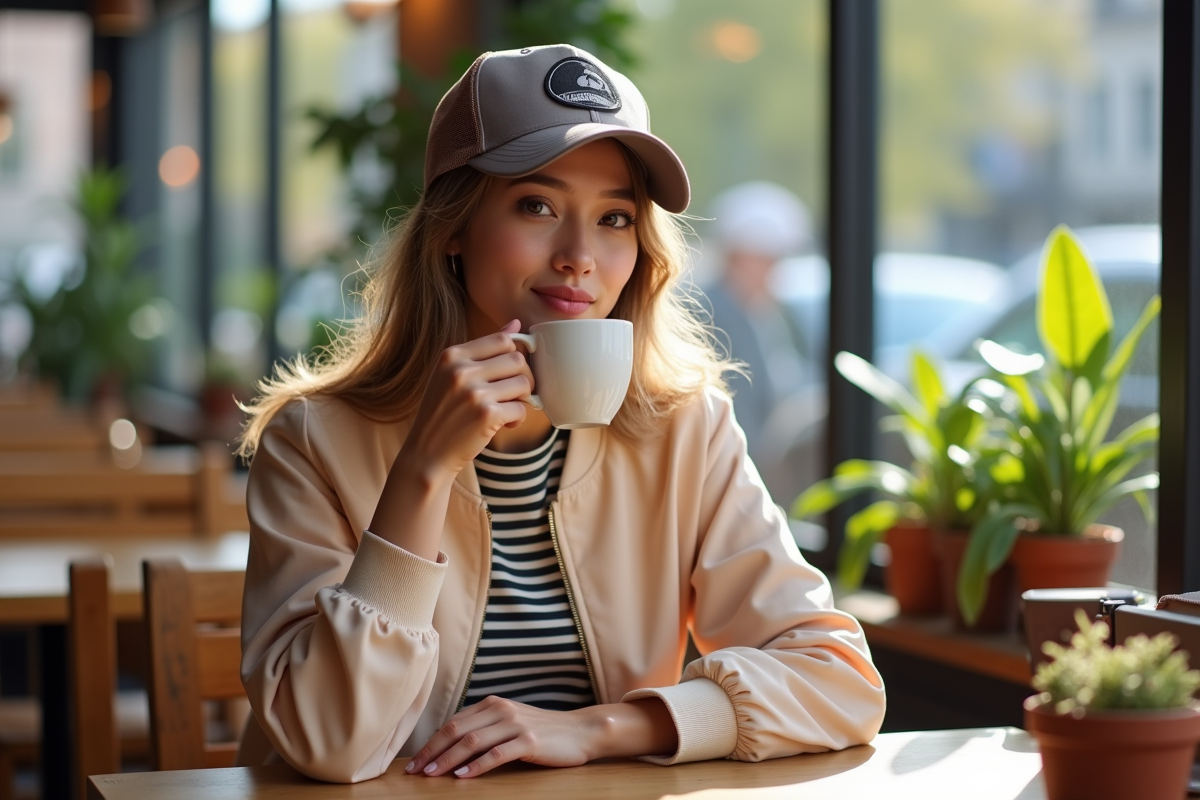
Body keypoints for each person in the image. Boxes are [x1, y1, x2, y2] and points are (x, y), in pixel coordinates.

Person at [234, 44, 885, 785]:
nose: (581, 256)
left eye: (614, 218)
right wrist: (421, 471)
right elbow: (331, 742)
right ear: (454, 228)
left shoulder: (685, 429)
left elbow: (840, 682)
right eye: (537, 205)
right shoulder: (313, 440)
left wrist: (600, 729)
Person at [703, 181, 812, 462]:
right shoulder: (709, 312)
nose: (774, 271)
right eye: (768, 260)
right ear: (741, 256)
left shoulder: (764, 312)